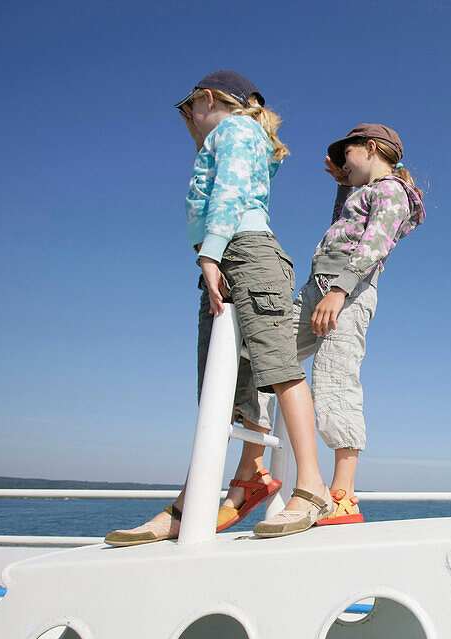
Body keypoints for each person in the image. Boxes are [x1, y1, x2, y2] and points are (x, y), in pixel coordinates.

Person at [105, 70, 334, 546]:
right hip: (230, 255)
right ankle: (199, 499)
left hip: (243, 251)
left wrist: (210, 251)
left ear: (207, 99)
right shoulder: (244, 135)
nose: (189, 122)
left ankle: (311, 488)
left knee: (277, 366)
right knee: (221, 384)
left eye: (190, 112)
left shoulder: (235, 129)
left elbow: (230, 191)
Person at [250, 124, 426, 537]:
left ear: (369, 148)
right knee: (267, 356)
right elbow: (340, 230)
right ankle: (254, 468)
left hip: (347, 292)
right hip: (318, 288)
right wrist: (341, 185)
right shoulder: (359, 192)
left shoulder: (392, 190)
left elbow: (374, 243)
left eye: (346, 154)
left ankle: (342, 492)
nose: (343, 162)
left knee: (334, 380)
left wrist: (341, 290)